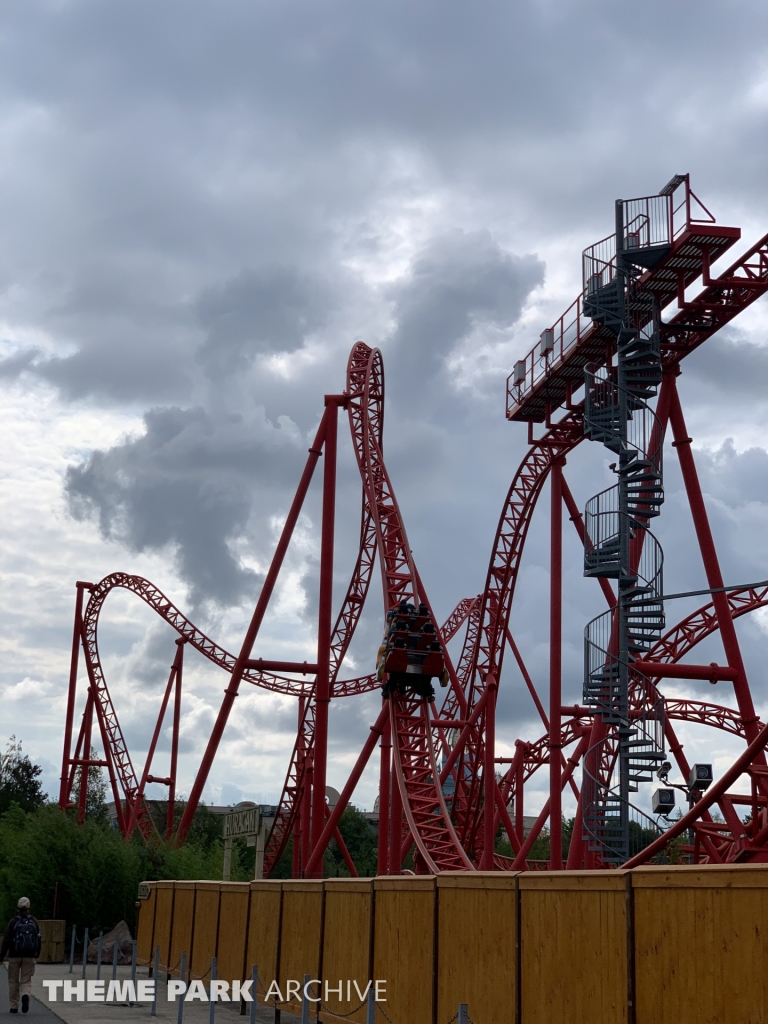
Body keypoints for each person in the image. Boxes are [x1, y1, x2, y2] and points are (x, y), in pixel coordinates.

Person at [1, 897, 41, 1014]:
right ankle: (25, 994)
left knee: (13, 981)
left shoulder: (13, 922)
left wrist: (1, 956)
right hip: (29, 955)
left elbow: (6, 940)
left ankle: (14, 1006)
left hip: (14, 955)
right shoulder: (34, 921)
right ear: (29, 907)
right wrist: (37, 953)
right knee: (26, 980)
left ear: (18, 907)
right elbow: (38, 938)